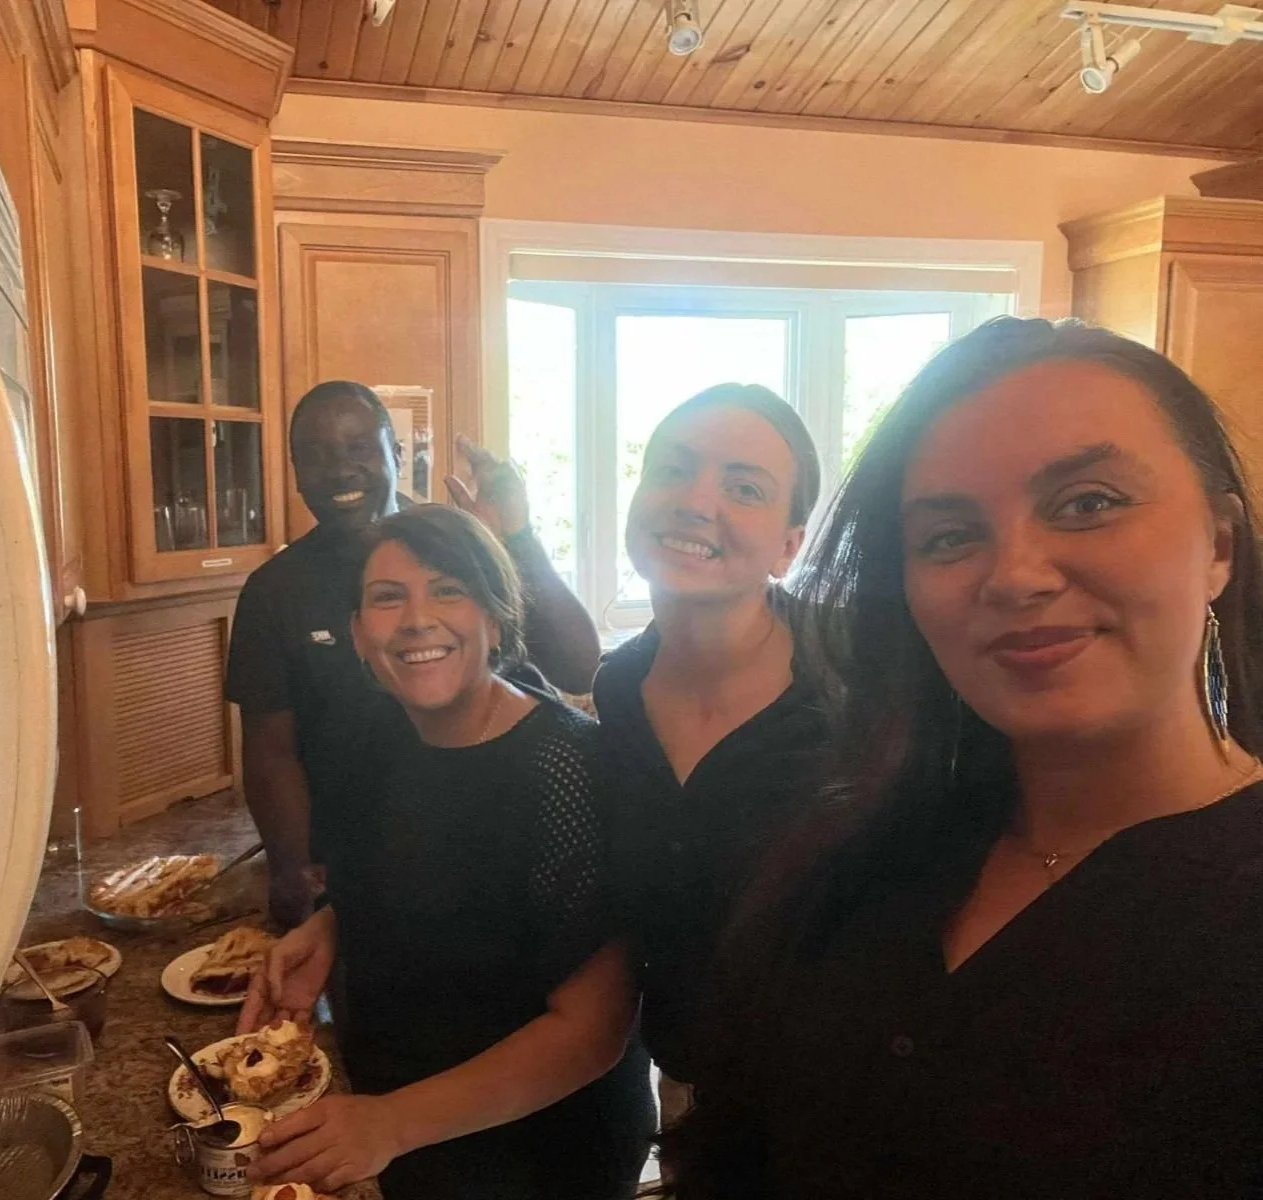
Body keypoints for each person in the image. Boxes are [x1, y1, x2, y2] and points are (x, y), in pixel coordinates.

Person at [663, 318, 1263, 1199]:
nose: (1014, 574)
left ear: (1217, 545)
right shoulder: (857, 850)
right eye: (948, 536)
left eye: (1087, 502)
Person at [239, 505, 654, 1198]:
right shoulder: (374, 738)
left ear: (494, 618)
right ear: (357, 634)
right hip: (398, 1119)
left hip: (538, 1153)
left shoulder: (564, 770)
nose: (416, 618)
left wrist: (392, 1124)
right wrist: (329, 930)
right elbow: (413, 870)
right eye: (387, 597)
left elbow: (592, 1029)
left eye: (448, 589)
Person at [225, 381, 601, 927]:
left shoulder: (462, 546)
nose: (340, 470)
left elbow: (576, 665)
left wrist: (515, 537)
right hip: (357, 862)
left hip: (490, 837)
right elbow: (270, 749)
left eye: (358, 448)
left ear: (395, 454)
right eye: (317, 455)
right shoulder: (274, 591)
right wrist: (293, 867)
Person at [593, 383, 827, 1111]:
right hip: (686, 1083)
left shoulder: (863, 681)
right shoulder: (620, 688)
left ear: (788, 547)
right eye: (671, 468)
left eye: (743, 487)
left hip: (839, 1096)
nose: (695, 501)